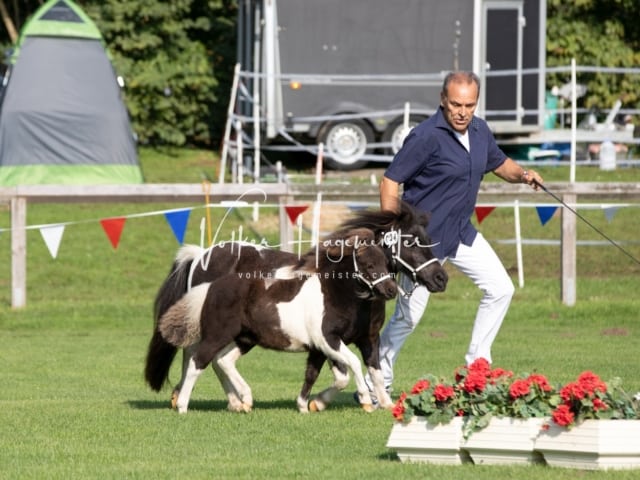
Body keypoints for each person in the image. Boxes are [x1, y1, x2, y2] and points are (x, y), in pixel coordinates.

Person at [370, 71, 544, 395]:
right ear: (442, 100)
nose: (462, 112)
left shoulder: (479, 130)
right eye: (455, 104)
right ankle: (374, 384)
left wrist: (523, 175)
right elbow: (390, 181)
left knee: (501, 288)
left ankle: (476, 370)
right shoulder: (425, 136)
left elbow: (499, 162)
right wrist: (392, 231)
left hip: (461, 233)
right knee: (407, 319)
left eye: (469, 104)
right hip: (422, 243)